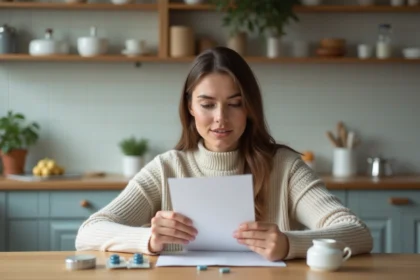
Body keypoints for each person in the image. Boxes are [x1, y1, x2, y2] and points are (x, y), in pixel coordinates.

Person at [75, 46, 373, 261]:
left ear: (250, 109)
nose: (220, 118)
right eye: (207, 104)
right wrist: (149, 240)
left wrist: (288, 244)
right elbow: (88, 232)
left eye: (235, 103)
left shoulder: (285, 167)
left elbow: (356, 232)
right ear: (190, 107)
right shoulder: (166, 167)